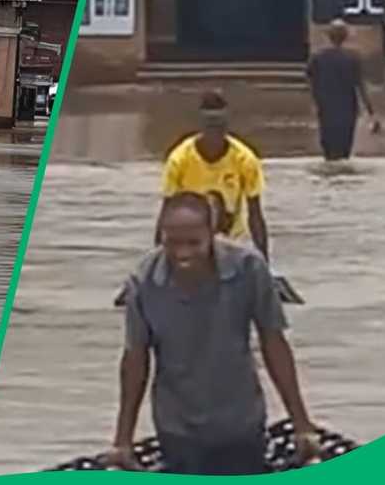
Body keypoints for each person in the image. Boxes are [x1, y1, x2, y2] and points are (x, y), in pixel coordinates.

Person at [108, 193, 319, 475]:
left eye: (193, 243)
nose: (182, 254)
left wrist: (302, 425)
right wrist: (123, 440)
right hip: (177, 428)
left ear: (212, 234)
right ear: (161, 236)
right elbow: (135, 361)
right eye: (173, 243)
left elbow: (274, 343)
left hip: (240, 422)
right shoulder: (144, 282)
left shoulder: (248, 269)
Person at [156, 91, 270, 262]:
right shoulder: (179, 160)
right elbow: (167, 211)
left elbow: (255, 214)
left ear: (226, 125)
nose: (215, 132)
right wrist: (159, 258)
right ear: (201, 126)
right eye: (210, 125)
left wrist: (264, 262)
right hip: (191, 244)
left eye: (220, 125)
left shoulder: (245, 159)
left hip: (232, 243)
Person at [306, 19, 379, 161]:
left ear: (328, 36)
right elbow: (360, 86)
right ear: (345, 37)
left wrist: (316, 102)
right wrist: (371, 112)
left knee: (328, 150)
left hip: (326, 108)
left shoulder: (318, 58)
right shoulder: (353, 58)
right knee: (344, 150)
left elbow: (310, 81)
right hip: (347, 109)